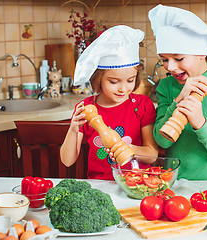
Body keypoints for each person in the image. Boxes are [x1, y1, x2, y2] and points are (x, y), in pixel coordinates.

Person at [149, 5, 207, 180]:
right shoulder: (166, 87)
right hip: (171, 182)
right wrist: (177, 101)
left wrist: (200, 122)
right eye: (164, 60)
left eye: (179, 58)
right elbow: (162, 141)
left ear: (201, 54)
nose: (171, 67)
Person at [60, 25, 158, 180]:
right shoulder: (87, 109)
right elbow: (67, 161)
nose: (123, 89)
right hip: (100, 185)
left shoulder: (141, 105)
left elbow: (152, 154)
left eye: (130, 80)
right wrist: (73, 129)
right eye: (113, 82)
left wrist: (127, 149)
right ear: (98, 79)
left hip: (136, 183)